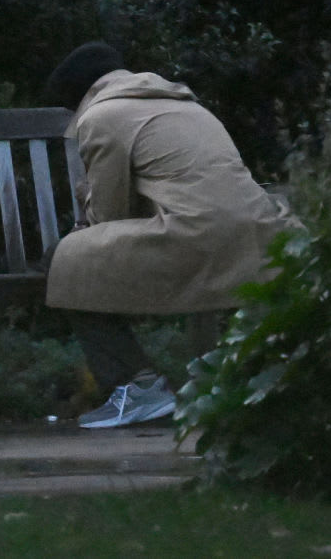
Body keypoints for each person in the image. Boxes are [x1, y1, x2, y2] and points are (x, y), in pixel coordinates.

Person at [41, 41, 294, 428]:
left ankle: (137, 386)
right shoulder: (185, 105)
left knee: (66, 260)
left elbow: (108, 217)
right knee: (79, 257)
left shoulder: (103, 116)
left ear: (77, 99)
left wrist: (84, 202)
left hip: (196, 239)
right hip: (259, 234)